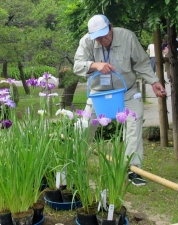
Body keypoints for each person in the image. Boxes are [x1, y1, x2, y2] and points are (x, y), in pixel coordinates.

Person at [73, 14, 167, 186]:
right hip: (98, 94)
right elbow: (77, 66)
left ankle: (133, 169)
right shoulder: (86, 41)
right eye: (98, 38)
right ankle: (76, 162)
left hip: (126, 92)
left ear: (111, 27)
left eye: (105, 35)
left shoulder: (127, 36)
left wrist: (154, 81)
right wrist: (95, 65)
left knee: (134, 121)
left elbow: (142, 63)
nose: (102, 40)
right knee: (85, 125)